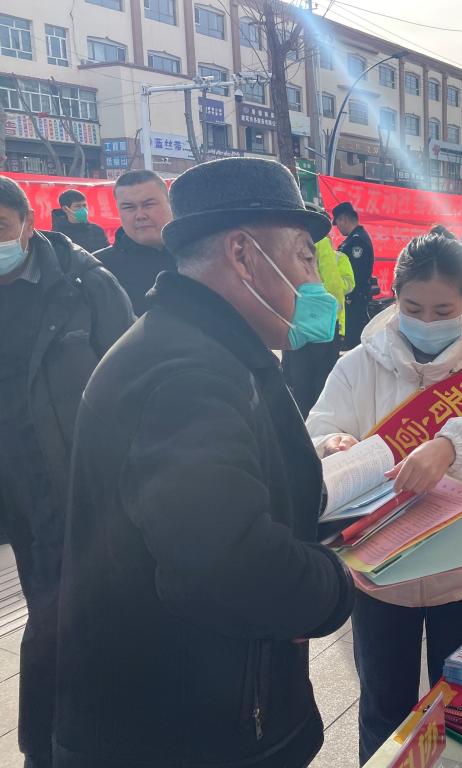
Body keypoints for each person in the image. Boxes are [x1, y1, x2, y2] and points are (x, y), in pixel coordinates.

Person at [54, 158, 355, 768]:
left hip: (197, 708)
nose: (312, 278)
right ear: (243, 254)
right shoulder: (189, 373)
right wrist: (335, 586)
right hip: (183, 732)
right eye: (304, 256)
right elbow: (228, 563)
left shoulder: (202, 344)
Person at [306, 234, 462, 762]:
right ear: (395, 296)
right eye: (412, 307)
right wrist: (333, 444)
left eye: (443, 311)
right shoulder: (359, 363)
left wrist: (452, 444)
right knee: (384, 709)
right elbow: (317, 429)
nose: (426, 320)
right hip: (379, 577)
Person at [0, 176, 133, 768]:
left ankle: (50, 748)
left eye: (0, 228)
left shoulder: (85, 284)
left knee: (59, 620)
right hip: (14, 490)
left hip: (76, 480)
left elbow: (132, 376)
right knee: (51, 611)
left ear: (28, 225)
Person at [282, 203, 356, 417]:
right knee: (323, 382)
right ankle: (318, 426)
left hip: (294, 322)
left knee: (300, 380)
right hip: (323, 325)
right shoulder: (320, 242)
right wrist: (337, 320)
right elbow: (333, 285)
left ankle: (303, 424)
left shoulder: (283, 241)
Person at [94, 169, 176, 313]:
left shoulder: (199, 254)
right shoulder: (99, 269)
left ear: (170, 203)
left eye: (148, 204)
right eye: (129, 207)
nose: (140, 215)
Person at [333, 201, 375, 349]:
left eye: (337, 223)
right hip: (354, 299)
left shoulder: (356, 242)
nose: (338, 228)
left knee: (353, 344)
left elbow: (355, 274)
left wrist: (348, 295)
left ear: (343, 219)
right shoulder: (353, 239)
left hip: (354, 299)